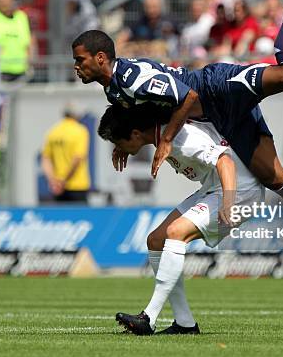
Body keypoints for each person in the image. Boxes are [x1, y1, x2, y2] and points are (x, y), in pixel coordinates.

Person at [72, 0, 283, 282]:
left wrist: (166, 141)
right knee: (274, 177)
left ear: (99, 58)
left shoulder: (131, 79)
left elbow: (188, 97)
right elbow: (138, 115)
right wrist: (122, 143)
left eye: (79, 60)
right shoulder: (115, 93)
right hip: (218, 118)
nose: (76, 66)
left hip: (215, 89)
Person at [98, 104, 265, 335]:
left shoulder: (179, 139)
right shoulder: (162, 133)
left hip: (240, 192)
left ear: (135, 134)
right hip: (213, 188)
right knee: (156, 240)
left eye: (118, 143)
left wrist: (228, 203)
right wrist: (127, 146)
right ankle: (185, 323)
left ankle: (149, 317)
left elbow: (225, 161)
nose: (117, 148)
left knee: (176, 232)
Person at [41, 106, 91, 203]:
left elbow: (45, 159)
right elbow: (77, 159)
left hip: (57, 187)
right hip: (77, 185)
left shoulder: (53, 131)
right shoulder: (79, 131)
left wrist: (53, 181)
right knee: (80, 217)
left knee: (61, 216)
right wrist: (64, 180)